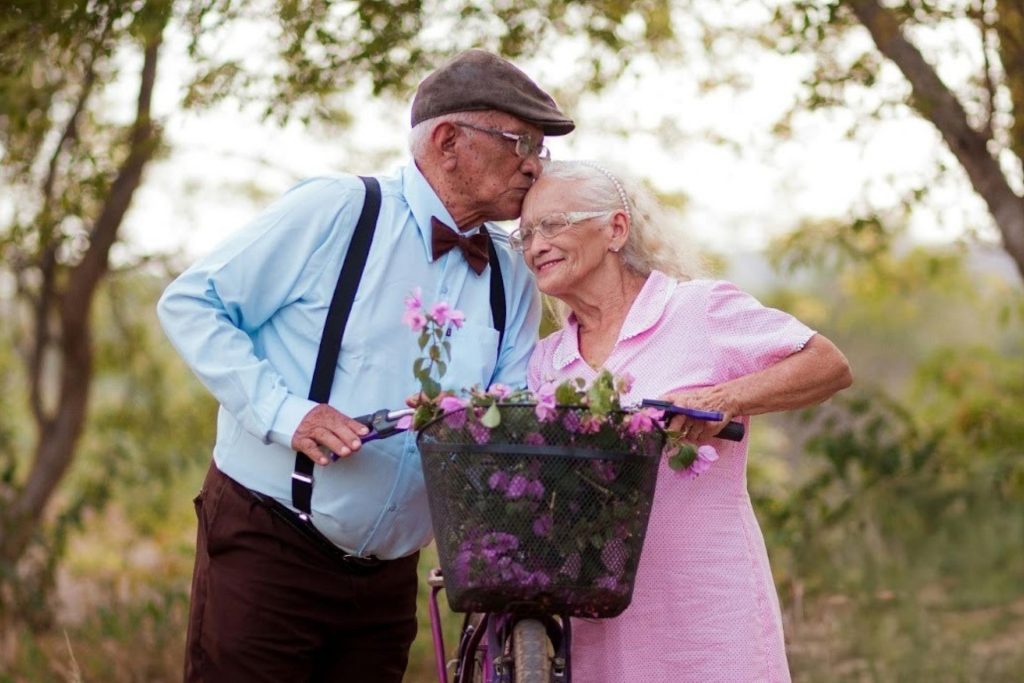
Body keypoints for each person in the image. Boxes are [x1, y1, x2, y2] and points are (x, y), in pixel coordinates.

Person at [157, 49, 573, 682]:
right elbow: (192, 302)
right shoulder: (339, 210)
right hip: (272, 544)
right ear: (448, 140)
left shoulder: (513, 273)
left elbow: (507, 410)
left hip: (389, 578)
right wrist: (284, 413)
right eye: (519, 141)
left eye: (541, 149)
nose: (533, 165)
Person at [517, 160, 853, 682]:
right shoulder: (546, 361)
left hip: (705, 606)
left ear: (615, 229)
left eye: (553, 224)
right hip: (597, 618)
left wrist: (725, 397)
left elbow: (826, 364)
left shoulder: (697, 310)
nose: (536, 244)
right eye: (526, 234)